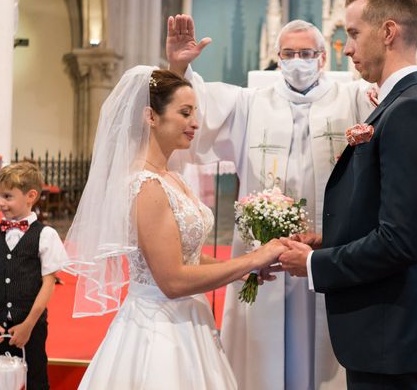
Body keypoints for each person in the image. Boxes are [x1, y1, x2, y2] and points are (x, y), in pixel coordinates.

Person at [165, 0, 384, 390]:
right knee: (263, 351)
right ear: (276, 57)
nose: (298, 62)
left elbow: (390, 83)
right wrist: (179, 68)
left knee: (326, 346)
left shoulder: (354, 96)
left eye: (307, 54)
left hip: (328, 246)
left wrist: (375, 14)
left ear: (324, 57)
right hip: (263, 252)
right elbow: (198, 109)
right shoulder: (251, 103)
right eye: (289, 54)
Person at [279, 0, 417, 389]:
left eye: (354, 33)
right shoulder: (401, 104)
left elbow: (399, 241)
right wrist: (330, 241)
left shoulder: (411, 111)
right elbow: (389, 213)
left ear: (389, 32)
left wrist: (311, 264)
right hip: (385, 325)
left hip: (388, 326)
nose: (345, 48)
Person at [63, 67, 285, 389]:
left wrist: (241, 270)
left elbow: (187, 256)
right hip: (158, 328)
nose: (195, 123)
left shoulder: (171, 176)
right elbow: (172, 280)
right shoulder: (146, 185)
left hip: (189, 318)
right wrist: (252, 259)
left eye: (195, 113)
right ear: (151, 116)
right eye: (185, 113)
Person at [0, 161, 68, 390]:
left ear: (30, 196)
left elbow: (48, 283)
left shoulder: (46, 235)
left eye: (8, 196)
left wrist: (29, 324)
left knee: (35, 376)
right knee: (0, 376)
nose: (0, 203)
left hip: (31, 325)